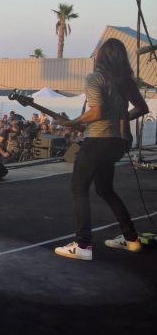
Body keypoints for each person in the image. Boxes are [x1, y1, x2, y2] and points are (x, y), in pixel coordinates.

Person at [53, 38, 148, 260]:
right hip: (116, 143)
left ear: (101, 56)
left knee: (79, 188)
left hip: (97, 142)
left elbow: (95, 113)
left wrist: (70, 122)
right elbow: (141, 108)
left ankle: (83, 245)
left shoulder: (95, 78)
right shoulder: (126, 81)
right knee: (105, 190)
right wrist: (120, 117)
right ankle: (132, 239)